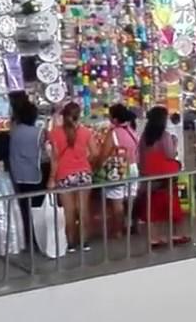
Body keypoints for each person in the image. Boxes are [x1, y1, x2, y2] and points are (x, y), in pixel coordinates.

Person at [47, 102, 96, 253]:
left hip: (63, 175)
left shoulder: (55, 133)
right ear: (79, 115)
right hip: (83, 173)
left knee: (69, 211)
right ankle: (85, 242)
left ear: (63, 116)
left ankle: (71, 244)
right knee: (83, 209)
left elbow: (54, 159)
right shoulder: (86, 132)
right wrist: (86, 164)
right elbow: (95, 153)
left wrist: (51, 178)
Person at [137, 106, 187, 247]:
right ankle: (177, 234)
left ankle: (154, 238)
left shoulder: (144, 137)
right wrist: (175, 144)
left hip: (149, 178)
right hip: (165, 179)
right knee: (172, 207)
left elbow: (140, 156)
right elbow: (170, 155)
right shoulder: (164, 136)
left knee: (152, 210)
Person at [7, 97, 47, 252]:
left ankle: (28, 240)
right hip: (35, 175)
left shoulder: (13, 132)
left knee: (24, 209)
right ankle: (38, 240)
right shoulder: (39, 133)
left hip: (18, 176)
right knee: (37, 210)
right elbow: (45, 154)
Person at [96, 104, 139, 239]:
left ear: (114, 119)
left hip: (118, 169)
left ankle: (118, 231)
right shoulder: (132, 130)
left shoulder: (113, 133)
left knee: (117, 201)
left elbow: (104, 154)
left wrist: (97, 167)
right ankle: (131, 225)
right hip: (133, 167)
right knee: (130, 199)